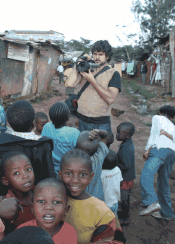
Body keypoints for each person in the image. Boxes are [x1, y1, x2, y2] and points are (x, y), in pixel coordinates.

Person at [58, 149, 126, 244]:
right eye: (68, 173)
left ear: (91, 177)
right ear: (60, 174)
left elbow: (116, 241)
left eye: (83, 174)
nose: (75, 180)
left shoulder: (102, 212)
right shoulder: (51, 201)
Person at [66, 40, 121, 132]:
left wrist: (92, 80)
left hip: (101, 123)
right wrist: (79, 62)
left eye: (100, 54)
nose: (97, 57)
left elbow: (110, 99)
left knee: (100, 146)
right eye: (95, 54)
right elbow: (70, 84)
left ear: (107, 56)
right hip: (80, 120)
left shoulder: (113, 73)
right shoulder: (86, 68)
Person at [139, 105, 175, 220]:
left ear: (161, 113)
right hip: (172, 153)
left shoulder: (157, 118)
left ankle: (151, 203)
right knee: (163, 182)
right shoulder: (173, 126)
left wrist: (147, 150)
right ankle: (167, 214)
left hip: (159, 150)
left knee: (146, 175)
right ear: (172, 118)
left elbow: (154, 133)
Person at [17, 178, 77, 244]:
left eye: (56, 202)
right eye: (41, 201)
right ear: (32, 207)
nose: (48, 207)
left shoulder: (69, 232)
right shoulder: (23, 231)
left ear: (66, 209)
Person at [0, 151, 35, 236]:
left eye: (28, 169)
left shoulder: (41, 191)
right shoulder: (6, 206)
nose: (25, 176)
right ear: (5, 181)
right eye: (16, 173)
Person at [41, 102, 80, 177]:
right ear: (68, 117)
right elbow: (78, 151)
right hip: (67, 169)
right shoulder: (74, 132)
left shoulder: (47, 126)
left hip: (50, 167)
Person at [76, 129, 109, 201]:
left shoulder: (73, 165)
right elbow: (105, 136)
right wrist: (99, 131)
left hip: (80, 200)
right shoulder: (99, 157)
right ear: (97, 149)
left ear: (76, 148)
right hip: (97, 198)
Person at [116, 122, 135, 226]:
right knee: (125, 197)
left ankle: (125, 217)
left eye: (119, 133)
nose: (117, 135)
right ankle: (124, 212)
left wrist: (115, 165)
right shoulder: (127, 143)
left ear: (127, 135)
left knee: (124, 198)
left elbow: (126, 165)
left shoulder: (126, 149)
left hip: (126, 178)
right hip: (128, 176)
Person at [101, 149, 123, 218]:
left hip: (104, 204)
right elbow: (120, 183)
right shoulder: (117, 169)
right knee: (114, 219)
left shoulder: (101, 174)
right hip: (114, 202)